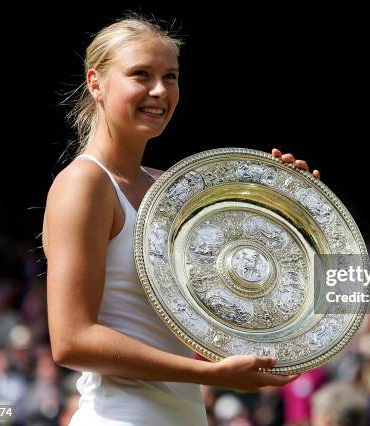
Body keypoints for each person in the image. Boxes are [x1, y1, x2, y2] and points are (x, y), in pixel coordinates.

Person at [43, 14, 320, 425]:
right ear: (95, 82)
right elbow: (71, 341)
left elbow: (235, 296)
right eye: (141, 74)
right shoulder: (85, 183)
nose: (159, 91)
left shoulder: (166, 187)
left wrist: (288, 207)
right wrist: (208, 374)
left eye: (170, 76)